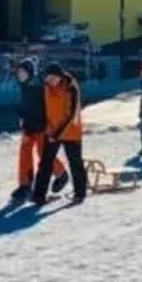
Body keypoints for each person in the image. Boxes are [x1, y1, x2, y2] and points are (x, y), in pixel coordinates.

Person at [34, 63, 88, 206]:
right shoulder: (46, 86)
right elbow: (42, 107)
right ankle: (39, 195)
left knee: (75, 162)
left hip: (70, 130)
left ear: (60, 76)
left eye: (53, 78)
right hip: (52, 129)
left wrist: (56, 134)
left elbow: (71, 114)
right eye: (48, 78)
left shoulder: (71, 87)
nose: (50, 81)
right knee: (46, 162)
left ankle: (80, 193)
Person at [12, 58, 66, 200]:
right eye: (19, 73)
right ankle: (25, 185)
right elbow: (26, 107)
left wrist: (32, 123)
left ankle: (61, 173)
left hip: (41, 126)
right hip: (29, 126)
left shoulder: (37, 87)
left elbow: (40, 109)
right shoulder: (24, 85)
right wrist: (22, 114)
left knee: (43, 153)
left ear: (30, 73)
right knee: (25, 153)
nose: (20, 75)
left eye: (23, 73)